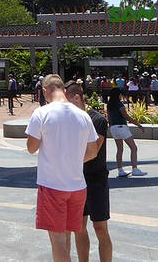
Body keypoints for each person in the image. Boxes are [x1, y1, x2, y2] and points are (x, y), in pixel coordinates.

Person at [25, 75, 101, 262]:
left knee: (57, 240)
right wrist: (72, 159)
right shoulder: (83, 115)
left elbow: (31, 148)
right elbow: (92, 151)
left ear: (45, 91)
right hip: (77, 187)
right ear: (64, 90)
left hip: (52, 185)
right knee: (67, 234)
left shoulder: (42, 113)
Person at [65, 82, 112, 262]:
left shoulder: (97, 120)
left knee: (100, 228)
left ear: (77, 97)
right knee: (79, 227)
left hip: (96, 181)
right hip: (77, 180)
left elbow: (92, 152)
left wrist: (66, 163)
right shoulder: (70, 122)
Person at [105, 88, 147, 178]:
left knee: (119, 149)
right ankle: (135, 169)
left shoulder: (109, 105)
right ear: (118, 95)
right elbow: (126, 117)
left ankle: (120, 170)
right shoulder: (120, 105)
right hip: (121, 127)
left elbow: (108, 117)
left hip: (113, 128)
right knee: (133, 148)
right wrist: (139, 125)